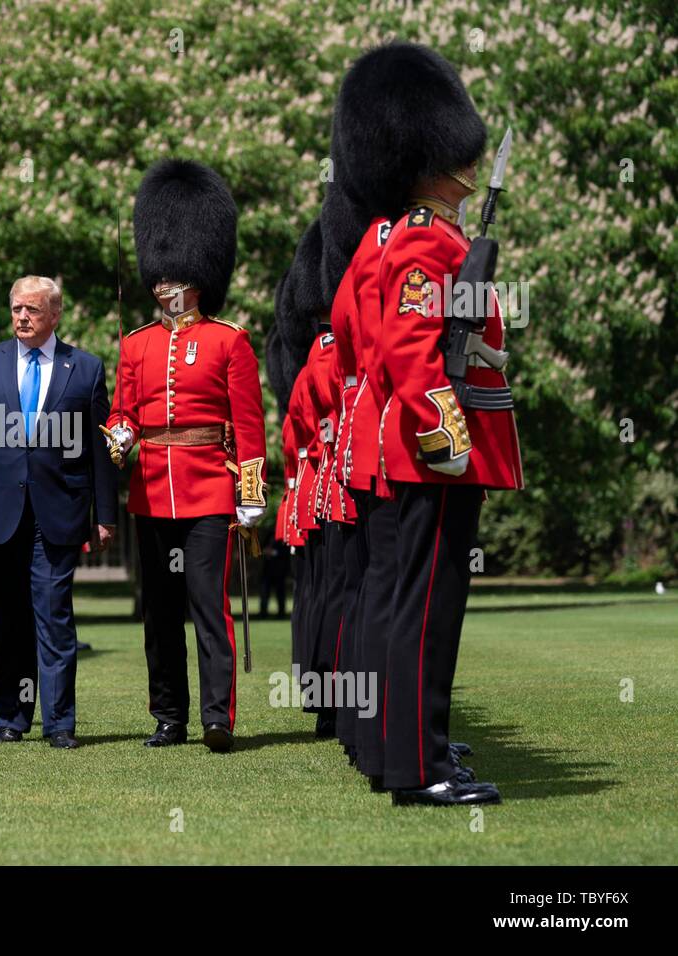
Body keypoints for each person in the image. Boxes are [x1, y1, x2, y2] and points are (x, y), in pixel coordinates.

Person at [338, 43, 523, 806]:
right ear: (429, 156)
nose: (471, 167)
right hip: (435, 452)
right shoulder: (423, 239)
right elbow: (411, 349)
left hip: (425, 448)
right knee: (424, 613)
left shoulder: (435, 236)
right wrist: (444, 433)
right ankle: (422, 768)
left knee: (407, 604)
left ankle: (402, 750)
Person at [105, 160, 267, 753]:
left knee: (208, 607)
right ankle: (169, 714)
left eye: (174, 276)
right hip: (151, 490)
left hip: (208, 492)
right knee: (160, 613)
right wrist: (118, 434)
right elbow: (124, 411)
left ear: (197, 278)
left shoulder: (229, 341)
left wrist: (250, 495)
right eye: (159, 275)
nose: (162, 285)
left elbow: (249, 426)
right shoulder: (135, 344)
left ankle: (217, 716)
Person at [0, 276, 118, 748]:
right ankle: (12, 718)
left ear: (55, 315)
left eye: (33, 310)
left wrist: (106, 514)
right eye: (17, 308)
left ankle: (60, 724)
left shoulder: (84, 368)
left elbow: (99, 451)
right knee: (8, 619)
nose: (22, 317)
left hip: (58, 512)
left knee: (54, 617)